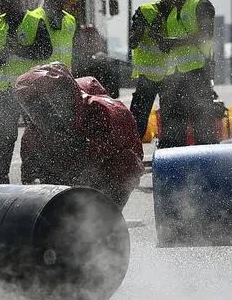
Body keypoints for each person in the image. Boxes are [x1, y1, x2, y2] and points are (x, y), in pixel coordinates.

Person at [16, 64, 143, 208]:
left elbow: (133, 156)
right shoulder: (33, 135)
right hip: (67, 180)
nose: (48, 112)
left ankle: (108, 216)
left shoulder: (106, 112)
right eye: (36, 106)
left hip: (102, 173)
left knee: (124, 164)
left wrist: (86, 159)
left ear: (70, 93)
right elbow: (30, 179)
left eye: (55, 101)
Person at [0, 0, 52, 184]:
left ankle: (37, 176)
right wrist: (0, 56)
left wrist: (19, 50)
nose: (5, 3)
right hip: (5, 91)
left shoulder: (33, 21)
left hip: (30, 91)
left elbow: (45, 51)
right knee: (4, 137)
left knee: (35, 135)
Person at [152, 0, 218, 148]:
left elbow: (205, 35)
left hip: (197, 74)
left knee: (203, 129)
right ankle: (176, 170)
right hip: (174, 78)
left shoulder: (200, 5)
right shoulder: (173, 10)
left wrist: (174, 43)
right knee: (173, 131)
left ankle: (206, 168)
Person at [127, 0, 168, 140]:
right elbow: (132, 42)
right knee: (138, 119)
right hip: (148, 75)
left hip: (171, 75)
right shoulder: (145, 12)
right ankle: (132, 150)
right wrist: (141, 30)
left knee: (171, 118)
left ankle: (169, 147)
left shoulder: (178, 12)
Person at [37, 0, 77, 72]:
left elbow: (74, 53)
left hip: (65, 78)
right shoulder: (36, 18)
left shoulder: (70, 20)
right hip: (44, 80)